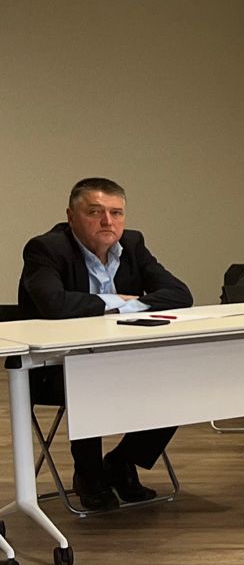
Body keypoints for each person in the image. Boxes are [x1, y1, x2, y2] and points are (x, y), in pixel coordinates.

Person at [18, 177, 193, 510]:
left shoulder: (132, 244)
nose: (107, 222)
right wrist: (115, 300)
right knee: (90, 377)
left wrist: (128, 304)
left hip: (120, 360)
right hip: (53, 367)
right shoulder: (46, 249)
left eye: (116, 213)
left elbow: (179, 295)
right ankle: (88, 474)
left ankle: (122, 462)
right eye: (95, 212)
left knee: (179, 377)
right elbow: (53, 305)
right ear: (71, 216)